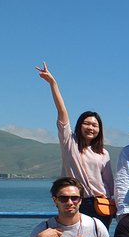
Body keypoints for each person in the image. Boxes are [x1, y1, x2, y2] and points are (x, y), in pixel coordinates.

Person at [36, 62, 115, 228]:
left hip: (101, 205)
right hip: (75, 202)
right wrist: (53, 83)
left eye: (95, 125)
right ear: (79, 125)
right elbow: (62, 112)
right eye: (87, 123)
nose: (91, 128)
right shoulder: (69, 142)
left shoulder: (103, 153)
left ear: (99, 130)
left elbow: (109, 183)